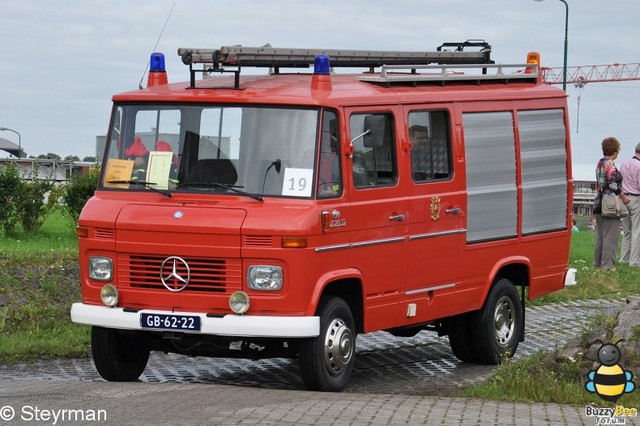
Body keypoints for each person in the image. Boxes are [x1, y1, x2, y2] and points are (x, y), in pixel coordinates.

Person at [593, 137, 630, 271]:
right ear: (614, 150)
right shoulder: (609, 163)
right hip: (610, 204)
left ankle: (598, 264)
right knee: (611, 235)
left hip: (599, 202)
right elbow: (612, 184)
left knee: (601, 236)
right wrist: (623, 197)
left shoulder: (599, 163)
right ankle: (608, 266)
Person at [619, 143, 640, 267]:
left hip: (624, 198)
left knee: (626, 231)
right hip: (636, 198)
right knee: (637, 231)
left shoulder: (624, 163)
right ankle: (634, 261)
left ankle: (624, 259)